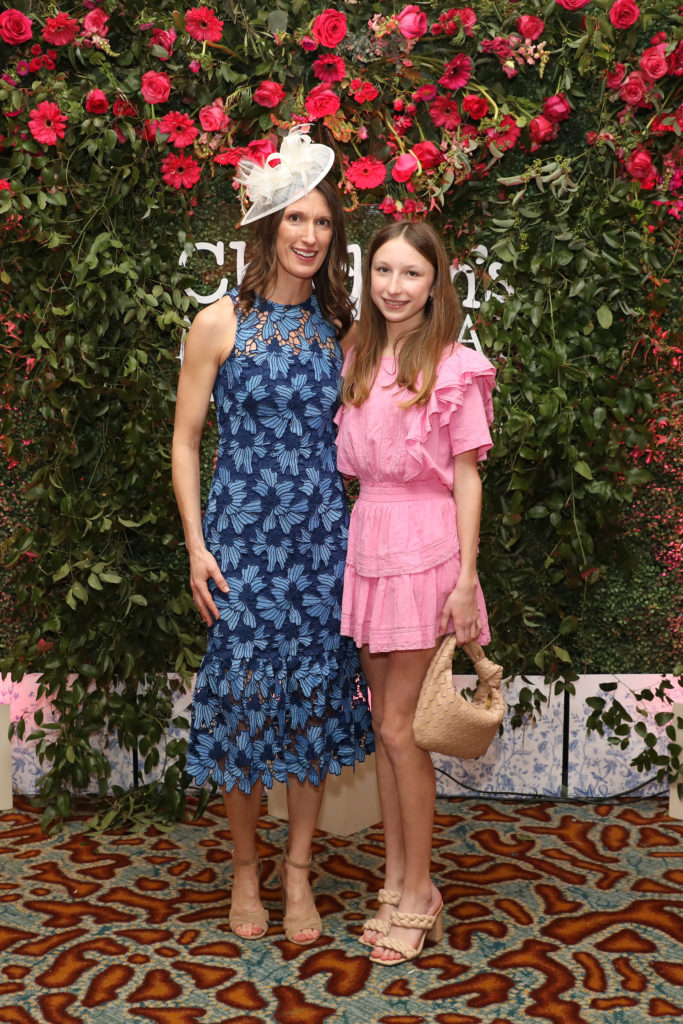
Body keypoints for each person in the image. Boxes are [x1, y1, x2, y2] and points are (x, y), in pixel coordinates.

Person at [172, 127, 373, 945]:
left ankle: (297, 874)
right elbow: (186, 440)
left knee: (312, 706)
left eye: (322, 222)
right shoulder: (217, 322)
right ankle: (245, 873)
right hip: (241, 548)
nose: (309, 234)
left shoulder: (343, 328)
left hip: (321, 546)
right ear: (267, 225)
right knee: (247, 706)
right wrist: (196, 547)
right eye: (296, 218)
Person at [334, 221, 496, 965]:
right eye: (383, 271)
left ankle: (420, 889)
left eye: (411, 274)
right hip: (369, 540)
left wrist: (465, 578)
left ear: (436, 285)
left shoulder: (454, 366)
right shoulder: (359, 356)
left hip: (425, 551)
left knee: (400, 729)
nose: (394, 287)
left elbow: (467, 476)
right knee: (384, 728)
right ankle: (396, 880)